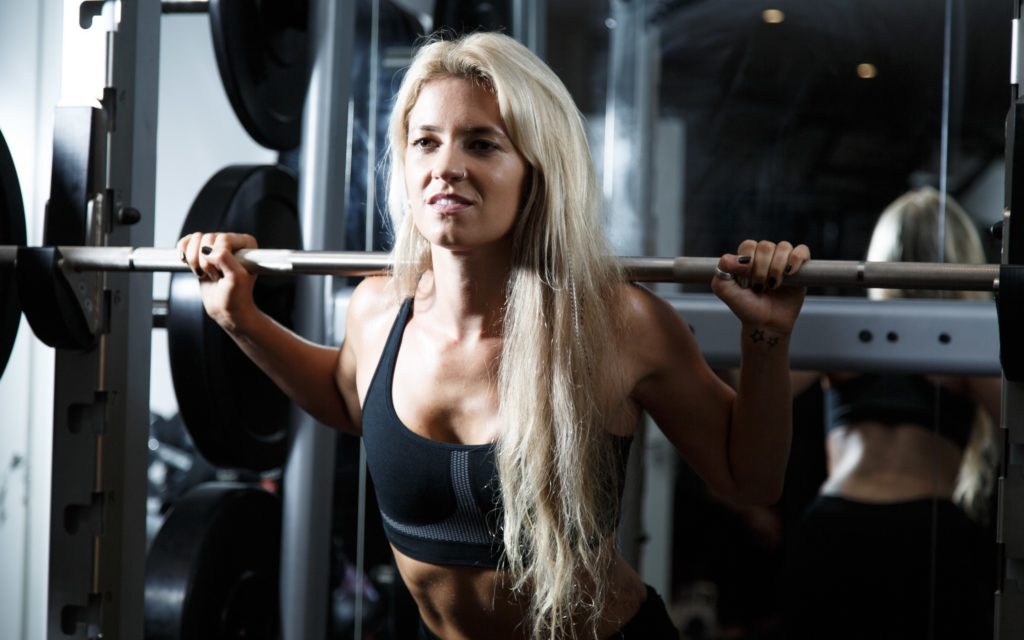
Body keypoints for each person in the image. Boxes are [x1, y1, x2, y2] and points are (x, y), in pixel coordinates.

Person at [178, 32, 811, 640]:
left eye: (481, 144)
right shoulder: (378, 309)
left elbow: (749, 481)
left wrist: (766, 341)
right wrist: (241, 319)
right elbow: (349, 399)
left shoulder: (618, 324)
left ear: (537, 169)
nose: (445, 167)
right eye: (426, 142)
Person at [782, 186, 1001, 640]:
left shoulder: (851, 339)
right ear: (959, 256)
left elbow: (749, 382)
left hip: (836, 526)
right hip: (925, 533)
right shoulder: (963, 350)